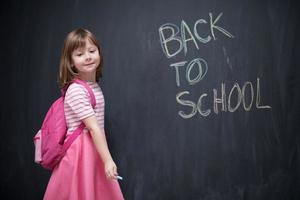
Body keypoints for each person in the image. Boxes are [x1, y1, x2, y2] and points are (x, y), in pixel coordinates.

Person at [43, 28, 124, 200]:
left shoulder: (93, 86)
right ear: (71, 62)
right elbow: (94, 128)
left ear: (99, 53)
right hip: (80, 155)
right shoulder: (76, 90)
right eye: (79, 54)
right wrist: (108, 160)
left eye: (92, 51)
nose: (87, 57)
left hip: (93, 150)